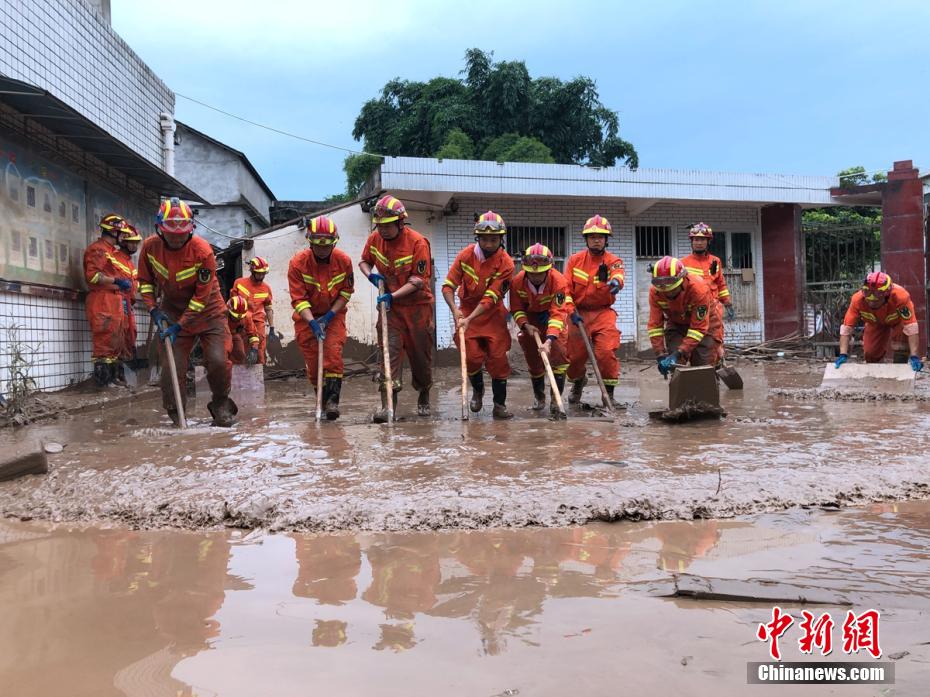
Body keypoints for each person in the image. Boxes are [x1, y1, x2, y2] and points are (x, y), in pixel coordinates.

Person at [137, 197, 236, 426]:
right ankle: (177, 413)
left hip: (209, 311)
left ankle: (221, 403)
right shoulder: (150, 247)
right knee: (172, 367)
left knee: (218, 361)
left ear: (191, 229)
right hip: (171, 310)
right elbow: (145, 281)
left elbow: (201, 298)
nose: (176, 239)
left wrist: (180, 325)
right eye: (171, 234)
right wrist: (153, 309)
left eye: (182, 234)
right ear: (160, 229)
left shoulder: (203, 252)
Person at [359, 194, 434, 422]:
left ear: (400, 222)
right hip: (390, 311)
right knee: (388, 355)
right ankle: (388, 407)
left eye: (387, 226)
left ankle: (424, 393)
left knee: (420, 360)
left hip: (417, 309)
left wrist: (392, 295)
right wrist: (371, 276)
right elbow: (364, 261)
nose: (383, 230)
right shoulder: (375, 239)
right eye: (380, 225)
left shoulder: (418, 242)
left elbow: (418, 280)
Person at [441, 210, 516, 419]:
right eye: (484, 239)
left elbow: (491, 298)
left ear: (501, 239)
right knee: (472, 357)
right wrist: (455, 310)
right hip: (466, 310)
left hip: (493, 313)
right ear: (478, 238)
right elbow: (448, 286)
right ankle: (478, 390)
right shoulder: (465, 255)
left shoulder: (507, 263)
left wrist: (469, 318)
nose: (489, 244)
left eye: (494, 240)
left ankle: (499, 405)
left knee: (498, 359)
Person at [288, 215, 355, 419]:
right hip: (306, 318)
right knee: (314, 364)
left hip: (333, 315)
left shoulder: (344, 261)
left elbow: (346, 293)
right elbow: (298, 299)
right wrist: (313, 322)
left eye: (327, 246)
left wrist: (328, 316)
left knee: (333, 354)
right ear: (310, 242)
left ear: (334, 242)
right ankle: (322, 401)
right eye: (318, 245)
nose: (323, 250)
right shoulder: (297, 263)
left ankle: (333, 402)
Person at [564, 214, 625, 405]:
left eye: (600, 237)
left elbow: (618, 273)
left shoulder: (613, 260)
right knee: (574, 358)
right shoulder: (574, 260)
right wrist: (571, 311)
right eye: (592, 237)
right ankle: (578, 381)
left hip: (603, 313)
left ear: (606, 239)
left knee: (605, 353)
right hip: (578, 313)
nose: (596, 240)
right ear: (586, 239)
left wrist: (616, 282)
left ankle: (609, 395)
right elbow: (565, 289)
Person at [509, 243, 574, 414]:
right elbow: (516, 308)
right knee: (533, 358)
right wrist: (525, 325)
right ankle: (539, 398)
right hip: (530, 321)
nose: (536, 277)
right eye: (532, 273)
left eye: (540, 273)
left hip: (552, 318)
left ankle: (555, 400)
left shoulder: (559, 281)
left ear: (549, 269)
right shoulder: (517, 282)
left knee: (559, 355)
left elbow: (558, 313)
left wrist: (549, 340)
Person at [647, 255, 723, 376]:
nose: (667, 294)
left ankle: (711, 376)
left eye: (672, 290)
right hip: (676, 323)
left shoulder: (699, 290)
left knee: (703, 367)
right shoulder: (655, 292)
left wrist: (679, 352)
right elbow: (655, 326)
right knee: (676, 366)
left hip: (706, 324)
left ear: (682, 280)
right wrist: (660, 355)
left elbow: (698, 328)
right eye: (664, 291)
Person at [835, 271, 923, 371]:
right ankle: (875, 372)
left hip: (897, 321)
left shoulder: (900, 297)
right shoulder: (857, 300)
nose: (872, 299)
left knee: (901, 341)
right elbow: (846, 328)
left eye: (877, 294)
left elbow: (911, 327)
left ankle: (900, 368)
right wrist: (843, 354)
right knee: (870, 352)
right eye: (867, 292)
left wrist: (914, 356)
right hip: (874, 323)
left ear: (886, 293)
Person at [83, 214, 133, 387]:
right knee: (104, 343)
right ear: (113, 231)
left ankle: (112, 381)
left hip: (113, 299)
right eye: (122, 233)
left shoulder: (111, 251)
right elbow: (93, 276)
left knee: (114, 342)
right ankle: (103, 384)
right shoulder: (98, 250)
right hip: (102, 299)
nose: (124, 237)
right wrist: (117, 281)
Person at [680, 222, 734, 326]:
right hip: (692, 310)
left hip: (713, 310)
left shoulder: (715, 261)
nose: (699, 243)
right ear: (691, 242)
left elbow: (720, 284)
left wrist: (727, 303)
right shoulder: (683, 263)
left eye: (702, 240)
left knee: (715, 336)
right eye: (696, 239)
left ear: (708, 242)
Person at [231, 257, 275, 364]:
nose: (261, 276)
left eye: (263, 273)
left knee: (259, 352)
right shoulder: (239, 283)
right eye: (259, 273)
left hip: (258, 322)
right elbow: (232, 304)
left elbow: (268, 309)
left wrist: (272, 328)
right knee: (241, 350)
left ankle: (258, 372)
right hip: (242, 320)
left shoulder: (266, 288)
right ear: (252, 271)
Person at [114, 223, 143, 385]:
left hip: (128, 302)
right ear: (123, 241)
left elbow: (135, 283)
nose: (135, 246)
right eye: (132, 242)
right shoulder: (116, 258)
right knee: (122, 335)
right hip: (119, 302)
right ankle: (119, 374)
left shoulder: (129, 262)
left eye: (136, 242)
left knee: (131, 335)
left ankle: (126, 373)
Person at [226, 296, 260, 366]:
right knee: (223, 353)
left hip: (235, 335)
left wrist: (254, 350)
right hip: (221, 336)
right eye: (235, 317)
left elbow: (253, 335)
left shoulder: (246, 317)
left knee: (240, 354)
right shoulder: (220, 316)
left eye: (241, 317)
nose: (238, 319)